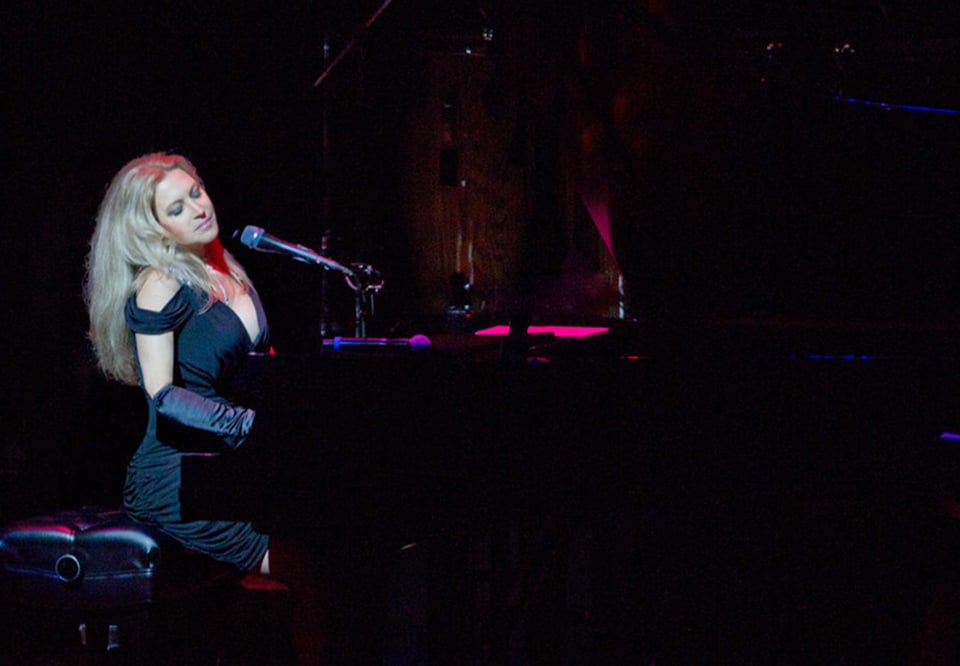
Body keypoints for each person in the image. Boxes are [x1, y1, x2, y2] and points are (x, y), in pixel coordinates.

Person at [84, 152, 324, 662]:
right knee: (306, 568)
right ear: (154, 229)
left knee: (330, 542)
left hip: (229, 464)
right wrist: (253, 426)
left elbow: (258, 368)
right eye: (176, 208)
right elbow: (163, 396)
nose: (197, 208)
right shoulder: (160, 284)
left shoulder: (226, 268)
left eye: (195, 192)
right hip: (174, 478)